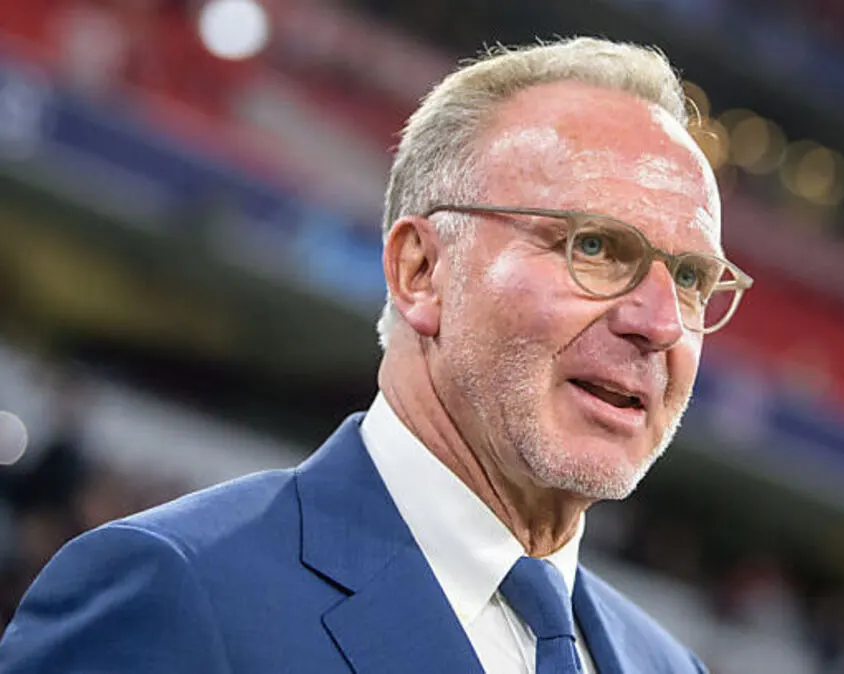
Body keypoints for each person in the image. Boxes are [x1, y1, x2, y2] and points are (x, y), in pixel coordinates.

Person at [0, 36, 753, 673]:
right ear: (421, 272)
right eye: (595, 247)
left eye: (691, 278)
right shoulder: (177, 593)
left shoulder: (664, 665)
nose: (660, 323)